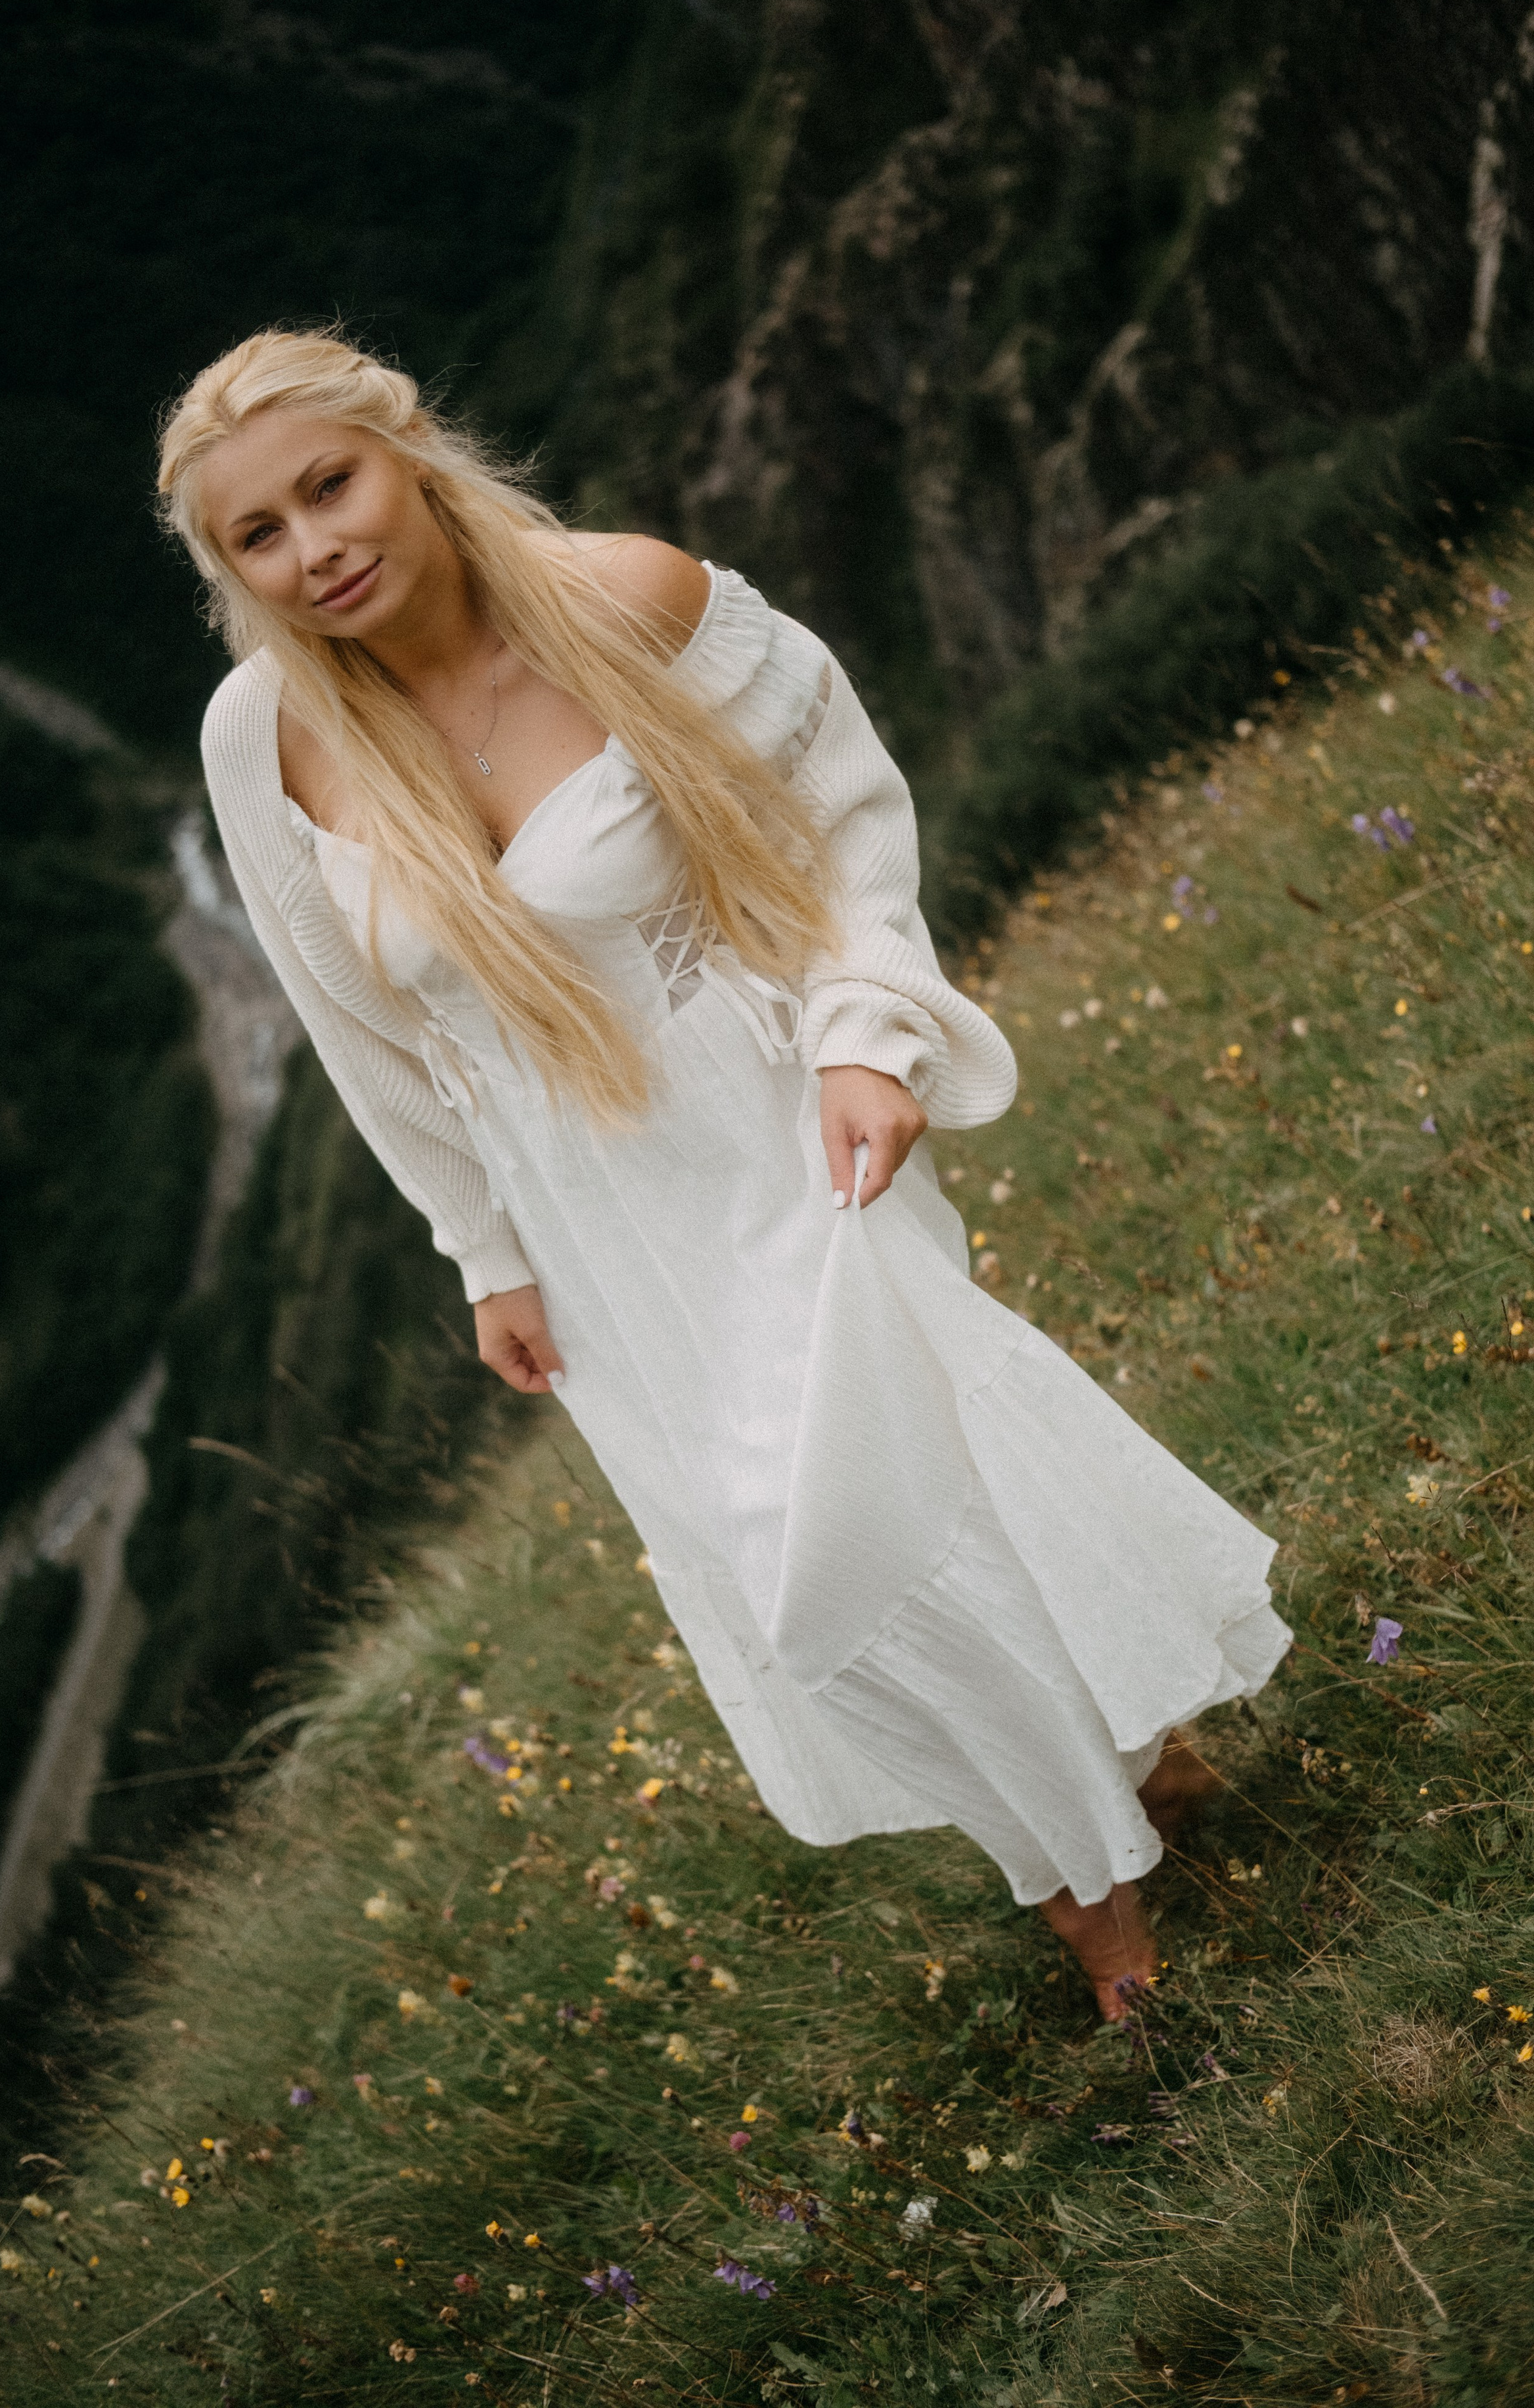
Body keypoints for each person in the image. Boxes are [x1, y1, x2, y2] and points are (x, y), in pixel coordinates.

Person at [159, 328, 1292, 2019]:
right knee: (792, 1563)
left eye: (330, 486)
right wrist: (484, 1251)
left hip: (776, 1132)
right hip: (594, 1226)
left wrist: (867, 1037)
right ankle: (1125, 1772)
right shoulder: (265, 738)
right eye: (258, 534)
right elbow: (360, 1036)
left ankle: (1091, 1900)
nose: (313, 548)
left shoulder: (627, 598)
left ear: (407, 456)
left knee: (858, 1523)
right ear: (230, 571)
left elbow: (844, 813)